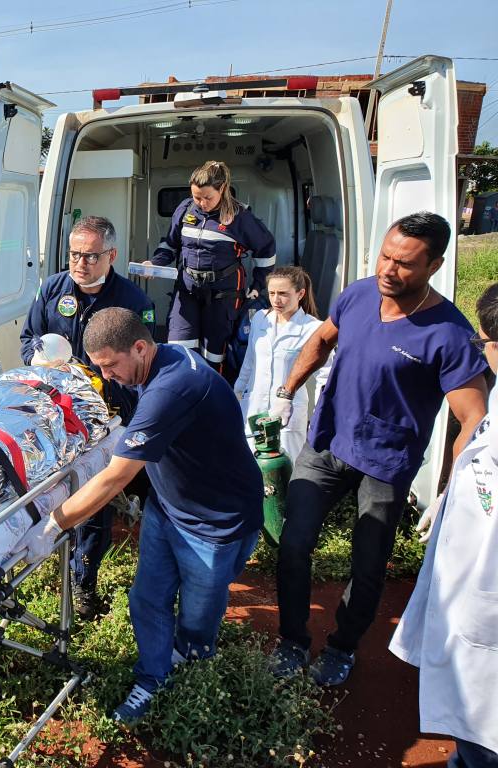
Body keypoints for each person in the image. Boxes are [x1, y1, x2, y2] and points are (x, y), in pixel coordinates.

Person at [268, 212, 489, 686]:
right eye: (385, 256)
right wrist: (287, 391)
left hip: (386, 463)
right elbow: (322, 339)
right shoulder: (361, 293)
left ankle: (342, 647)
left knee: (367, 566)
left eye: (404, 263)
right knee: (293, 543)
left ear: (434, 266)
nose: (388, 270)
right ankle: (292, 640)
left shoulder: (448, 333)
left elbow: (472, 417)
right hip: (328, 443)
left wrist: (454, 488)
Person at [17, 307, 263, 724]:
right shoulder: (154, 362)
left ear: (140, 347)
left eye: (111, 365)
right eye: (100, 366)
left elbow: (115, 479)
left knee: (197, 618)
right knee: (147, 599)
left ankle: (194, 663)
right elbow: (103, 388)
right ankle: (152, 677)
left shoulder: (174, 386)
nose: (107, 375)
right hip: (167, 508)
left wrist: (55, 523)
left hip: (215, 523)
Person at [19, 215, 156, 619]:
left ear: (111, 255)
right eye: (74, 254)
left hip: (110, 416)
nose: (80, 263)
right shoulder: (52, 288)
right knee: (57, 487)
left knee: (96, 501)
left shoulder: (134, 302)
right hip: (57, 414)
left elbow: (146, 364)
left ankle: (84, 584)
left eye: (91, 256)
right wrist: (39, 360)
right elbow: (30, 338)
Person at [389, 281, 498, 768]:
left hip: (486, 593)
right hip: (470, 579)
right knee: (472, 727)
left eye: (482, 344)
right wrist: (454, 494)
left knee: (482, 729)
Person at [149, 160, 276, 370]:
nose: (201, 203)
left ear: (223, 189)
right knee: (179, 349)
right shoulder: (185, 209)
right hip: (187, 291)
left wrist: (257, 286)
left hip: (223, 296)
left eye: (207, 197)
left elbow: (266, 250)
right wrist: (154, 263)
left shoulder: (240, 217)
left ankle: (212, 395)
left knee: (214, 355)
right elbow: (170, 244)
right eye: (196, 197)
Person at [234, 266, 329, 461]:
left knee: (283, 473)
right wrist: (237, 393)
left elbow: (325, 377)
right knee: (250, 469)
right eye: (272, 293)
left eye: (283, 294)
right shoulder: (261, 319)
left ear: (300, 293)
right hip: (253, 410)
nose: (276, 299)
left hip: (288, 417)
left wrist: (321, 415)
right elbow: (250, 362)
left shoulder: (314, 328)